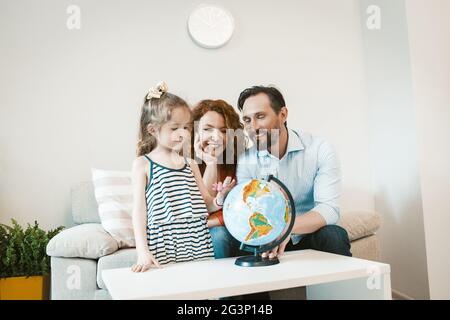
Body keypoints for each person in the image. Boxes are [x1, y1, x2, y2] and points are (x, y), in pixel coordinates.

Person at [236, 85, 352, 259]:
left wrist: (287, 228)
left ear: (283, 114)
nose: (252, 126)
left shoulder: (319, 149)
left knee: (334, 235)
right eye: (246, 120)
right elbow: (247, 211)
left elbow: (329, 209)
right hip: (267, 236)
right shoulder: (246, 160)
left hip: (307, 234)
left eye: (260, 116)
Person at [131, 82, 235, 272]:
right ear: (152, 130)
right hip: (164, 244)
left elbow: (207, 203)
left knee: (202, 289)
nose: (183, 134)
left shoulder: (191, 164)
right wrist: (142, 251)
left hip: (198, 242)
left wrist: (220, 199)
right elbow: (139, 213)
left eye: (186, 128)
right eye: (174, 128)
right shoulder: (143, 164)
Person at [191, 99, 246, 258]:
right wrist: (211, 163)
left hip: (235, 231)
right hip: (205, 235)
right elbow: (201, 211)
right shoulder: (183, 164)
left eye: (223, 131)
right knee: (217, 234)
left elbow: (244, 209)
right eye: (208, 129)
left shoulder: (240, 163)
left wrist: (211, 223)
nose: (216, 137)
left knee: (218, 233)